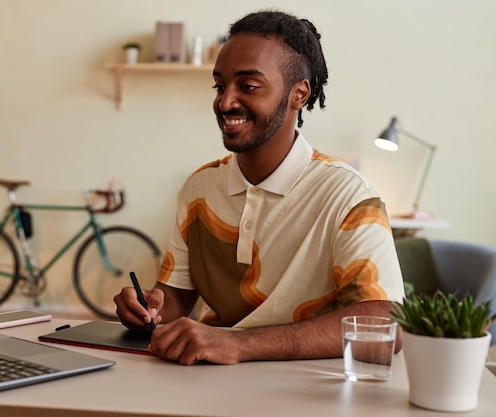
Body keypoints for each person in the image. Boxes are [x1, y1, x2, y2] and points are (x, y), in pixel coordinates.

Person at [114, 9, 405, 365]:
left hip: (308, 393)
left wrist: (239, 344)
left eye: (247, 86)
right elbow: (175, 298)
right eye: (220, 86)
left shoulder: (348, 195)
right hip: (206, 383)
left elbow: (385, 324)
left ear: (299, 94)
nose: (225, 102)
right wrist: (150, 306)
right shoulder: (198, 189)